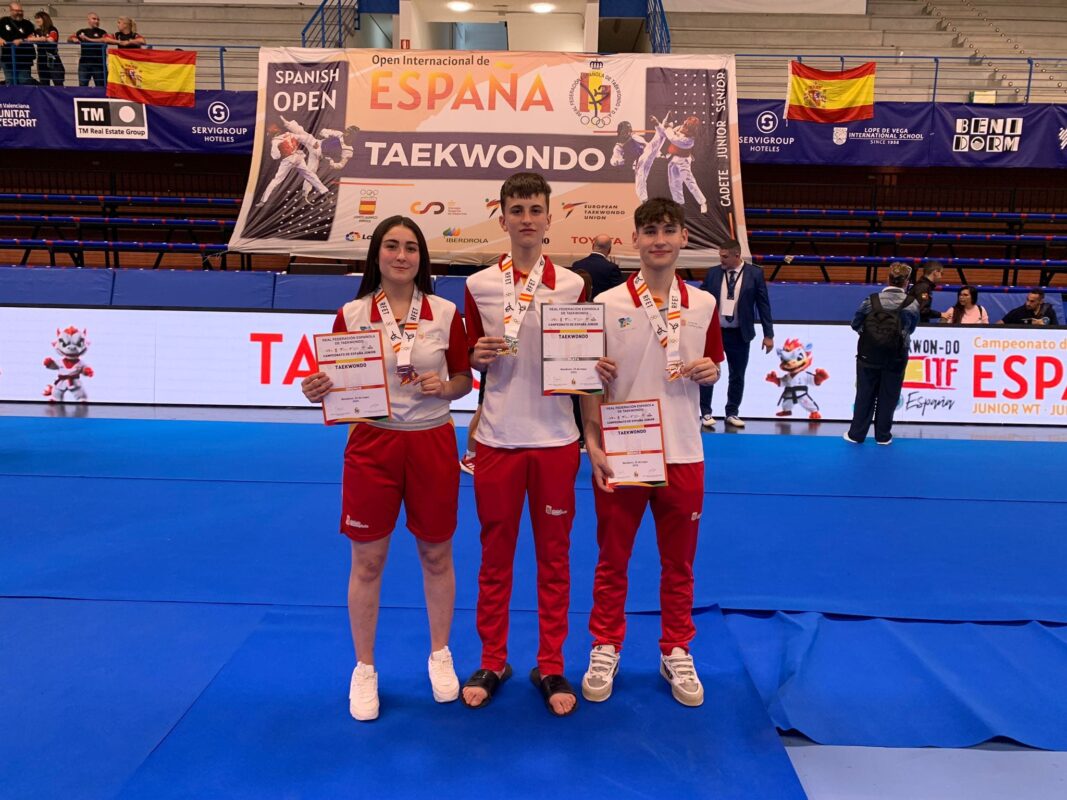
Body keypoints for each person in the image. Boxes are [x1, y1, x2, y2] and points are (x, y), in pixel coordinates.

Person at [299, 215, 473, 721]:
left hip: (431, 441)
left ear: (423, 258)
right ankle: (364, 667)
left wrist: (448, 388)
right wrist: (317, 389)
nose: (402, 256)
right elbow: (331, 382)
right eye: (392, 246)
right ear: (376, 254)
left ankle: (440, 654)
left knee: (437, 556)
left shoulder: (445, 312)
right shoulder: (351, 314)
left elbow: (463, 378)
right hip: (372, 444)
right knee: (368, 562)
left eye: (411, 248)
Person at [579, 197, 723, 707]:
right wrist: (592, 444)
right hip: (624, 449)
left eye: (668, 229)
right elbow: (587, 384)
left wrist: (712, 372)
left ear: (684, 237)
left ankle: (677, 647)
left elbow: (712, 364)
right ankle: (605, 643)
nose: (659, 239)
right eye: (650, 231)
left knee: (679, 563)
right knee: (612, 559)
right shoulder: (606, 304)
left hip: (684, 449)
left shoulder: (704, 303)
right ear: (634, 240)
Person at [461, 171, 586, 717]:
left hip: (557, 437)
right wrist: (473, 358)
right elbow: (463, 357)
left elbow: (586, 362)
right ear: (503, 217)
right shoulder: (479, 285)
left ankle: (552, 660)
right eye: (518, 210)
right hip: (497, 438)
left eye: (536, 209)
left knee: (554, 558)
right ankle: (493, 657)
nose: (527, 219)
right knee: (495, 557)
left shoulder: (576, 287)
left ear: (549, 217)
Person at [697, 238, 774, 429]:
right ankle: (705, 412)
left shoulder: (755, 273)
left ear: (736, 255)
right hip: (715, 332)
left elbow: (763, 305)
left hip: (740, 333)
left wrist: (768, 334)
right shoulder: (713, 273)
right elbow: (700, 300)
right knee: (709, 373)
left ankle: (732, 412)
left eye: (724, 257)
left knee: (737, 374)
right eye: (720, 256)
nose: (721, 260)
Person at [844, 262, 919, 446]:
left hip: (868, 355)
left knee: (864, 393)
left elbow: (855, 323)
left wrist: (873, 337)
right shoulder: (912, 303)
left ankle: (856, 434)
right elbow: (911, 329)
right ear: (907, 281)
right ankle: (883, 436)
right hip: (896, 355)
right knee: (889, 395)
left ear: (888, 278)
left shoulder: (871, 300)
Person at [570, 234, 624, 298]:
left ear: (592, 246)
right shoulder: (612, 268)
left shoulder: (576, 265)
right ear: (609, 250)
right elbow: (619, 293)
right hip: (604, 306)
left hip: (581, 307)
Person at [67, 12, 107, 87]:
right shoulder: (82, 31)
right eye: (94, 19)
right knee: (83, 85)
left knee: (101, 86)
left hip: (98, 63)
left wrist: (87, 39)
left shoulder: (102, 32)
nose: (96, 21)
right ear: (88, 20)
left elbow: (104, 40)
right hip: (84, 63)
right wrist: (73, 39)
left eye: (98, 19)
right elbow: (69, 39)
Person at [1, 3, 35, 86]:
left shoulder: (28, 24)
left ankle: (25, 99)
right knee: (10, 81)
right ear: (11, 11)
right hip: (8, 58)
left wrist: (22, 40)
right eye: (17, 11)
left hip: (24, 58)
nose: (19, 13)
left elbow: (32, 37)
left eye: (21, 11)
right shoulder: (2, 21)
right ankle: (12, 99)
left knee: (24, 81)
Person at [29, 11, 63, 86]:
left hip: (52, 58)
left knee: (58, 82)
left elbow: (52, 39)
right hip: (41, 59)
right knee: (44, 83)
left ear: (44, 19)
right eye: (36, 18)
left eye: (38, 18)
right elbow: (29, 38)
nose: (36, 20)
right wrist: (43, 38)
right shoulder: (37, 31)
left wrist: (41, 38)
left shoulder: (52, 29)